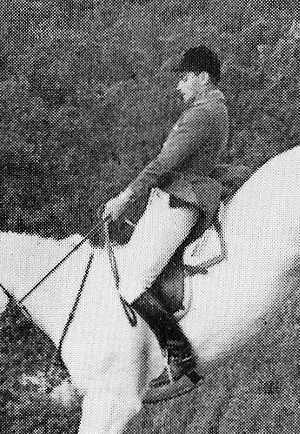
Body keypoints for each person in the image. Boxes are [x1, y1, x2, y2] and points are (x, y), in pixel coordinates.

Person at [102, 45, 230, 387]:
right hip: (173, 198)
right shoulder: (211, 109)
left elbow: (163, 164)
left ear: (203, 78)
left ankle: (180, 355)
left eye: (185, 79)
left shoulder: (202, 113)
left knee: (131, 285)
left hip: (179, 203)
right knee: (132, 274)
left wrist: (125, 196)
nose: (179, 86)